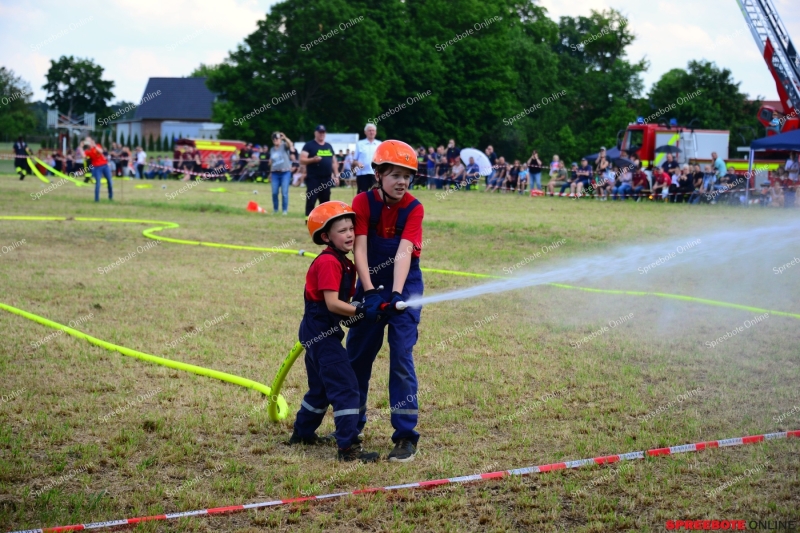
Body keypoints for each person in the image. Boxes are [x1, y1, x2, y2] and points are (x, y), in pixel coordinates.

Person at [347, 140, 424, 463]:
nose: (402, 181)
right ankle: (350, 429)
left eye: (407, 175)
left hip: (404, 287)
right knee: (357, 359)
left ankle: (405, 436)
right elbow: (360, 248)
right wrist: (369, 291)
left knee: (401, 359)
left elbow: (405, 251)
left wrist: (395, 294)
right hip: (370, 286)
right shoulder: (362, 202)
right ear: (377, 174)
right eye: (394, 174)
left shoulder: (414, 207)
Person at [289, 201, 380, 463]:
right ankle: (348, 448)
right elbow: (331, 304)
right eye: (342, 230)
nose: (350, 234)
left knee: (319, 389)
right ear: (326, 236)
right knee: (346, 386)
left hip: (318, 330)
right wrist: (361, 312)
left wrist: (356, 310)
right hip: (321, 333)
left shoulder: (343, 262)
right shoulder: (330, 262)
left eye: (351, 228)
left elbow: (339, 306)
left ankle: (303, 433)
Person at [301, 125, 339, 221]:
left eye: (323, 132)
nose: (322, 134)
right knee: (311, 199)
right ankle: (308, 219)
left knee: (325, 200)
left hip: (326, 178)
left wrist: (336, 175)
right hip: (313, 178)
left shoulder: (328, 146)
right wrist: (313, 160)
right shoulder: (309, 145)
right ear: (315, 133)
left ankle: (324, 220)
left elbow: (334, 162)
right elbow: (302, 160)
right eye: (320, 132)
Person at [269, 132, 294, 214]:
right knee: (274, 192)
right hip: (275, 173)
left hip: (285, 172)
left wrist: (285, 137)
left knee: (284, 193)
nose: (276, 140)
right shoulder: (272, 149)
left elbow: (290, 144)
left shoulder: (284, 146)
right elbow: (271, 162)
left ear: (280, 139)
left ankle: (284, 210)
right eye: (274, 139)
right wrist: (270, 172)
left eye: (277, 138)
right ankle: (275, 210)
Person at [353, 123, 382, 193]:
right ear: (365, 132)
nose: (371, 132)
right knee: (362, 194)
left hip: (375, 173)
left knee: (377, 194)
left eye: (373, 130)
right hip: (362, 174)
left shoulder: (380, 144)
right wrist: (358, 163)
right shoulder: (360, 144)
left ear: (376, 132)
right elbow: (354, 161)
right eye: (369, 130)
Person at [83, 137, 113, 202]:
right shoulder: (87, 151)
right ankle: (96, 199)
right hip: (96, 167)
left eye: (89, 141)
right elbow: (84, 156)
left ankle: (110, 197)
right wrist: (81, 147)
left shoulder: (97, 146)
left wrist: (95, 146)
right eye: (87, 141)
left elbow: (101, 151)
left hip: (105, 165)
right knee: (98, 183)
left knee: (109, 181)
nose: (89, 143)